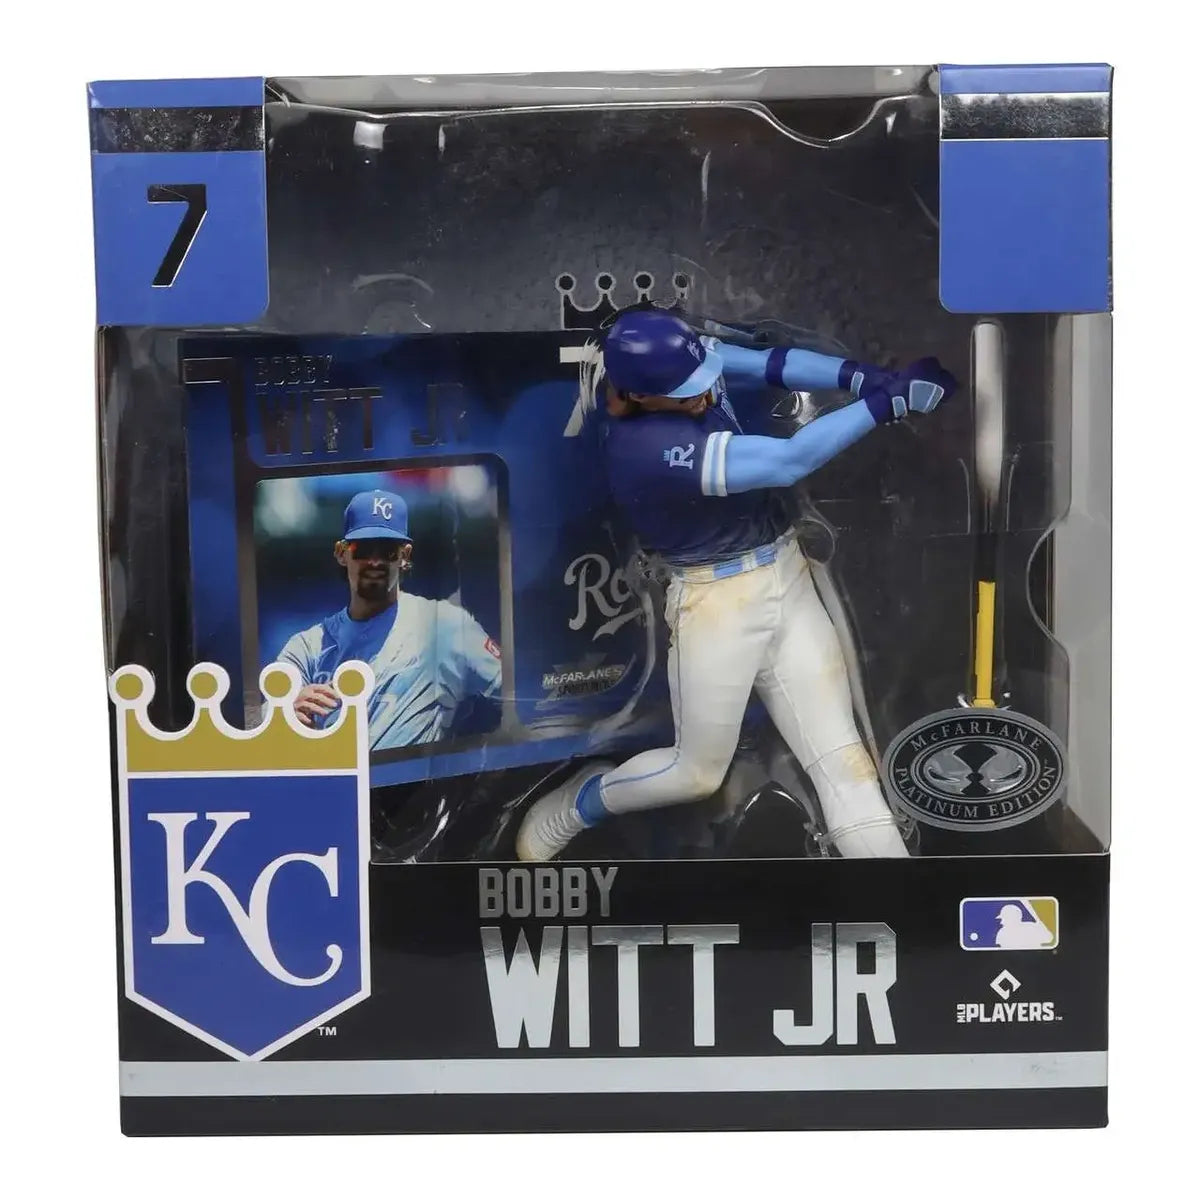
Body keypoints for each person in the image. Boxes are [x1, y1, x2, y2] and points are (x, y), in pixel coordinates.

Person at [517, 308, 956, 860]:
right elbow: (789, 460)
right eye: (685, 393)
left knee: (844, 760)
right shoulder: (642, 448)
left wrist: (860, 377)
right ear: (638, 395)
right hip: (717, 605)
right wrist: (885, 403)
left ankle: (901, 897)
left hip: (787, 574)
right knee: (695, 774)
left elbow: (774, 365)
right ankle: (583, 802)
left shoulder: (680, 363)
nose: (702, 394)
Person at [277, 488, 501, 749]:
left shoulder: (444, 625)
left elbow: (515, 695)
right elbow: (261, 721)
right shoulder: (307, 647)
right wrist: (285, 714)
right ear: (341, 553)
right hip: (332, 774)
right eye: (363, 549)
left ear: (404, 556)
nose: (375, 562)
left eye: (387, 551)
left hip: (407, 775)